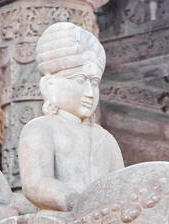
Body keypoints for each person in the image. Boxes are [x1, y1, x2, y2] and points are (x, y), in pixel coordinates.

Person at [18, 22, 124, 212]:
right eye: (80, 80)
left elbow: (121, 186)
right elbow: (35, 184)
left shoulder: (106, 139)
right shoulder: (41, 128)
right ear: (50, 85)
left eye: (94, 82)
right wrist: (75, 201)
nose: (90, 92)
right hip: (59, 220)